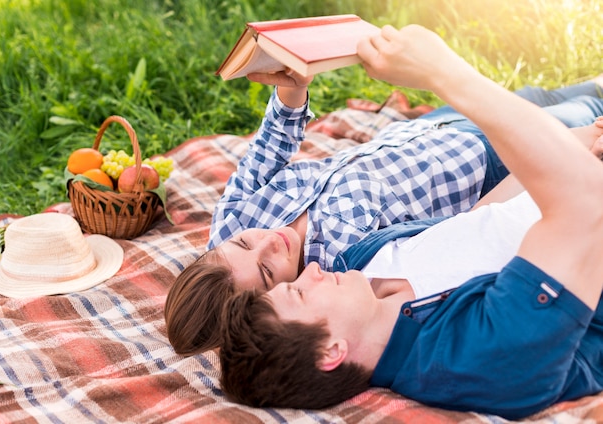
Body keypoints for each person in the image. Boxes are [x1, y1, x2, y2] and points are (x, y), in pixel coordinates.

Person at [218, 25, 603, 420]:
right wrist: (442, 72)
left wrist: (578, 142)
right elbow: (584, 207)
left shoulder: (358, 263)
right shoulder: (470, 357)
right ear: (331, 351)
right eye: (299, 293)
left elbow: (480, 221)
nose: (311, 269)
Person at [165, 72, 603, 356]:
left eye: (244, 242)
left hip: (429, 129)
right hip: (486, 162)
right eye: (267, 271)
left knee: (544, 95)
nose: (268, 240)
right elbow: (450, 238)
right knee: (585, 114)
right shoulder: (344, 270)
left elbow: (270, 146)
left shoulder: (232, 225)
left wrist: (290, 86)